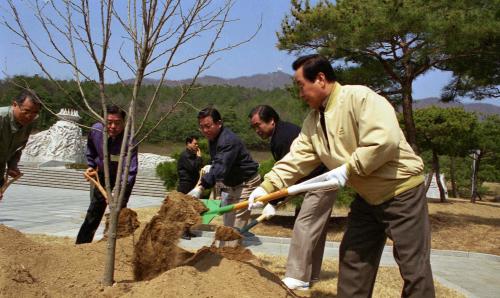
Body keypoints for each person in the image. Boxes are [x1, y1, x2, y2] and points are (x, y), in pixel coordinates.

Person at [248, 55, 435, 297]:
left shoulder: (360, 98)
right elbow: (296, 159)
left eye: (301, 86)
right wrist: (267, 186)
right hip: (367, 198)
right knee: (353, 259)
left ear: (321, 79)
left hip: (401, 192)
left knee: (413, 266)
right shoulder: (313, 121)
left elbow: (384, 140)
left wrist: (348, 169)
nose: (300, 93)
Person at [249, 105, 336, 290]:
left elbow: (291, 172)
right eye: (254, 127)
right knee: (315, 231)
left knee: (304, 225)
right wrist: (273, 200)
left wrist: (271, 201)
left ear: (271, 120)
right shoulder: (281, 134)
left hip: (322, 181)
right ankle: (310, 276)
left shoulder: (282, 138)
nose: (257, 130)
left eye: (259, 125)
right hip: (315, 181)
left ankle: (298, 277)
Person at [188, 107, 260, 229]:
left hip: (246, 183)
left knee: (235, 228)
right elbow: (217, 162)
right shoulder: (213, 138)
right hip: (231, 184)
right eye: (202, 127)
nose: (205, 130)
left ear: (219, 123)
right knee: (227, 225)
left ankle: (232, 246)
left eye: (208, 126)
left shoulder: (227, 140)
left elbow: (220, 166)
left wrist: (201, 187)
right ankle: (227, 246)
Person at [75, 105, 138, 244]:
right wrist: (91, 166)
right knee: (94, 211)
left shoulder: (130, 140)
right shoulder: (96, 130)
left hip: (123, 176)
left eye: (118, 122)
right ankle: (81, 245)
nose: (113, 126)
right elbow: (91, 149)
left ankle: (115, 245)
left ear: (124, 122)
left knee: (118, 212)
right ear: (103, 121)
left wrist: (118, 192)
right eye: (109, 122)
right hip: (103, 173)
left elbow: (131, 170)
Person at [0, 90, 41, 200]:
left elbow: (18, 148)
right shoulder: (1, 118)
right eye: (26, 111)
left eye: (35, 113)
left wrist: (12, 165)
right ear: (14, 105)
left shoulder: (28, 124)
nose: (30, 116)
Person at [177, 135, 203, 240]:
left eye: (197, 144)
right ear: (188, 144)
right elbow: (193, 168)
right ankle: (182, 232)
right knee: (184, 209)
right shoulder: (185, 155)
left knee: (191, 209)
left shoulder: (192, 155)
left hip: (192, 184)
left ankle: (187, 230)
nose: (197, 145)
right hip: (185, 185)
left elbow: (199, 167)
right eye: (195, 143)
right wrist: (199, 157)